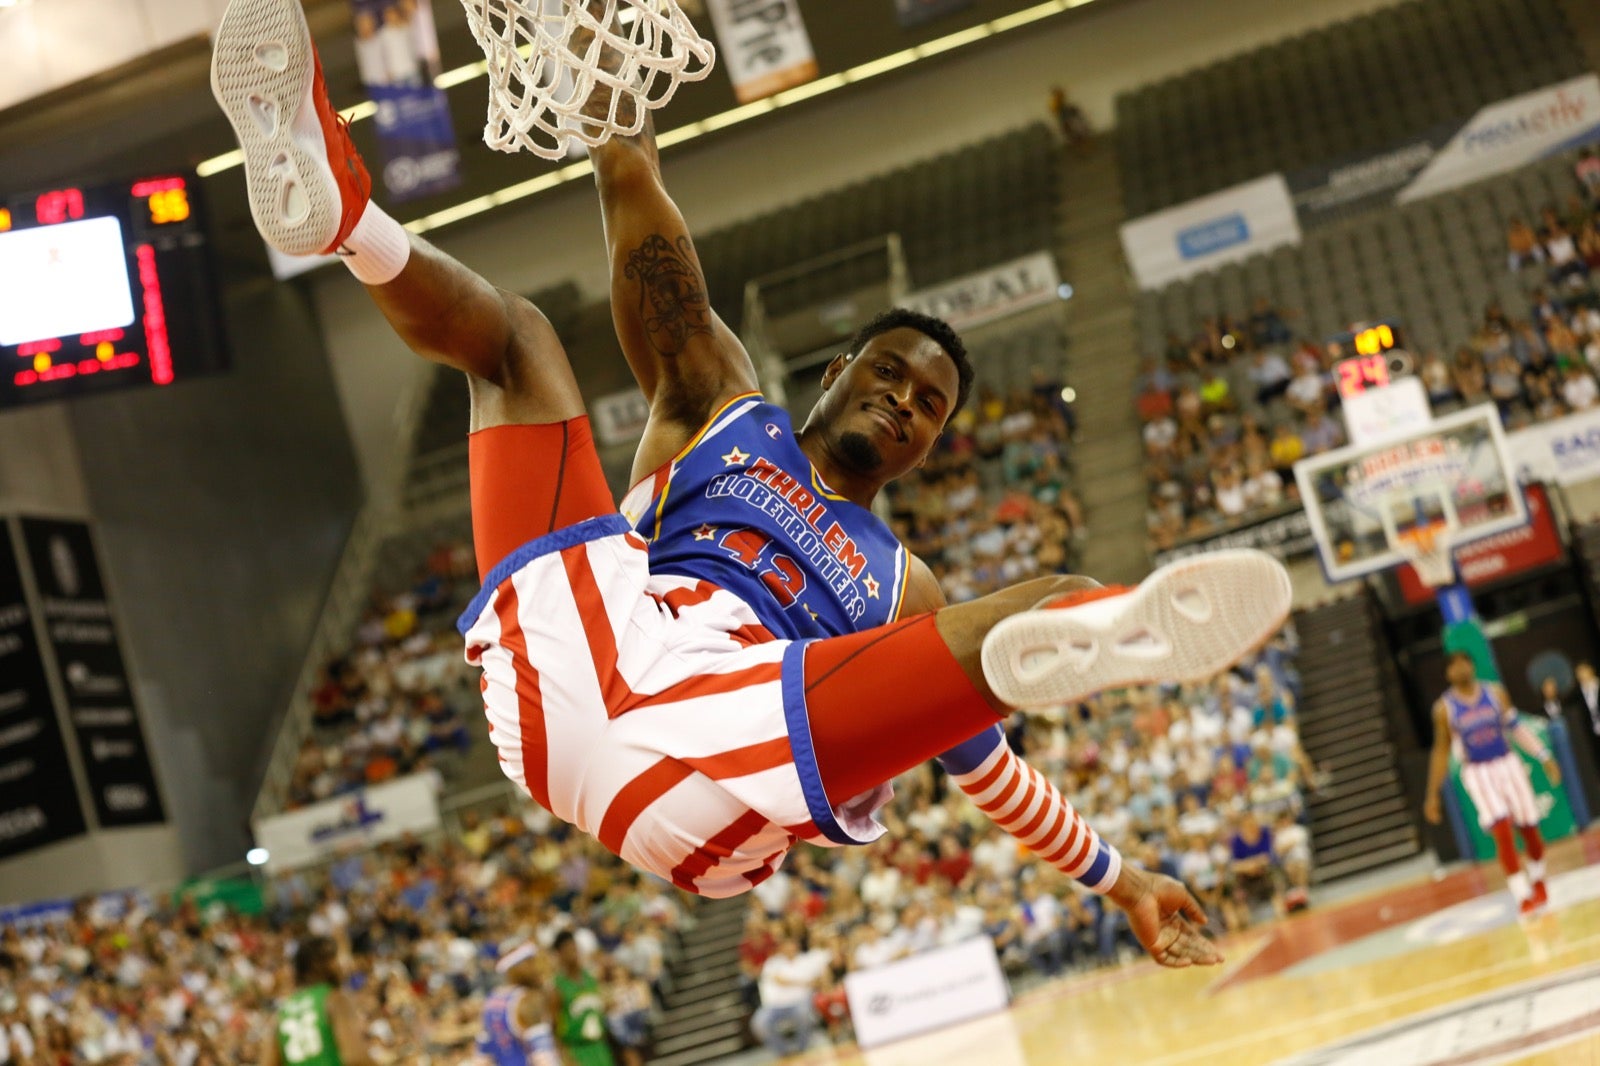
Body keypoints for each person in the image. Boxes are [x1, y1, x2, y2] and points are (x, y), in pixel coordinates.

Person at [211, 0, 1290, 969]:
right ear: (834, 375)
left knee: (1035, 606)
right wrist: (587, 45)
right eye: (890, 374)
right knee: (520, 346)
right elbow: (631, 181)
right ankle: (346, 219)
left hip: (725, 767)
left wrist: (1120, 874)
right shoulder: (716, 403)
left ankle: (1103, 626)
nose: (906, 402)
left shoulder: (900, 585)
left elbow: (987, 772)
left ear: (929, 449)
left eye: (929, 407)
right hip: (590, 658)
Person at [1424, 651, 1561, 916]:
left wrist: (1543, 755)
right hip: (1478, 771)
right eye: (1454, 666)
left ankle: (1538, 879)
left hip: (1507, 763)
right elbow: (1440, 751)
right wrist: (1432, 794)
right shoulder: (1444, 708)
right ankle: (1522, 894)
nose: (1460, 669)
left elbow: (1516, 728)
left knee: (1530, 829)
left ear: (1472, 666)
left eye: (1464, 662)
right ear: (1447, 674)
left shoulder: (1495, 693)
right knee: (1501, 829)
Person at [260, 936, 371, 1066]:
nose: (342, 965)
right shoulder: (334, 999)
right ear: (319, 964)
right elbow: (356, 1059)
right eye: (336, 958)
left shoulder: (281, 1013)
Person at [476, 942, 561, 1066]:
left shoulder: (491, 1000)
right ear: (518, 967)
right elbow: (544, 1057)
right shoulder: (527, 1000)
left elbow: (482, 1055)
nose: (537, 969)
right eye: (531, 963)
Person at [550, 932, 614, 1066]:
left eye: (575, 948)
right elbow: (554, 1028)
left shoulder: (590, 978)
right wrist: (565, 1058)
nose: (573, 953)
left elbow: (598, 1009)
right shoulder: (557, 987)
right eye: (568, 950)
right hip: (577, 1050)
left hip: (599, 1045)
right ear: (559, 954)